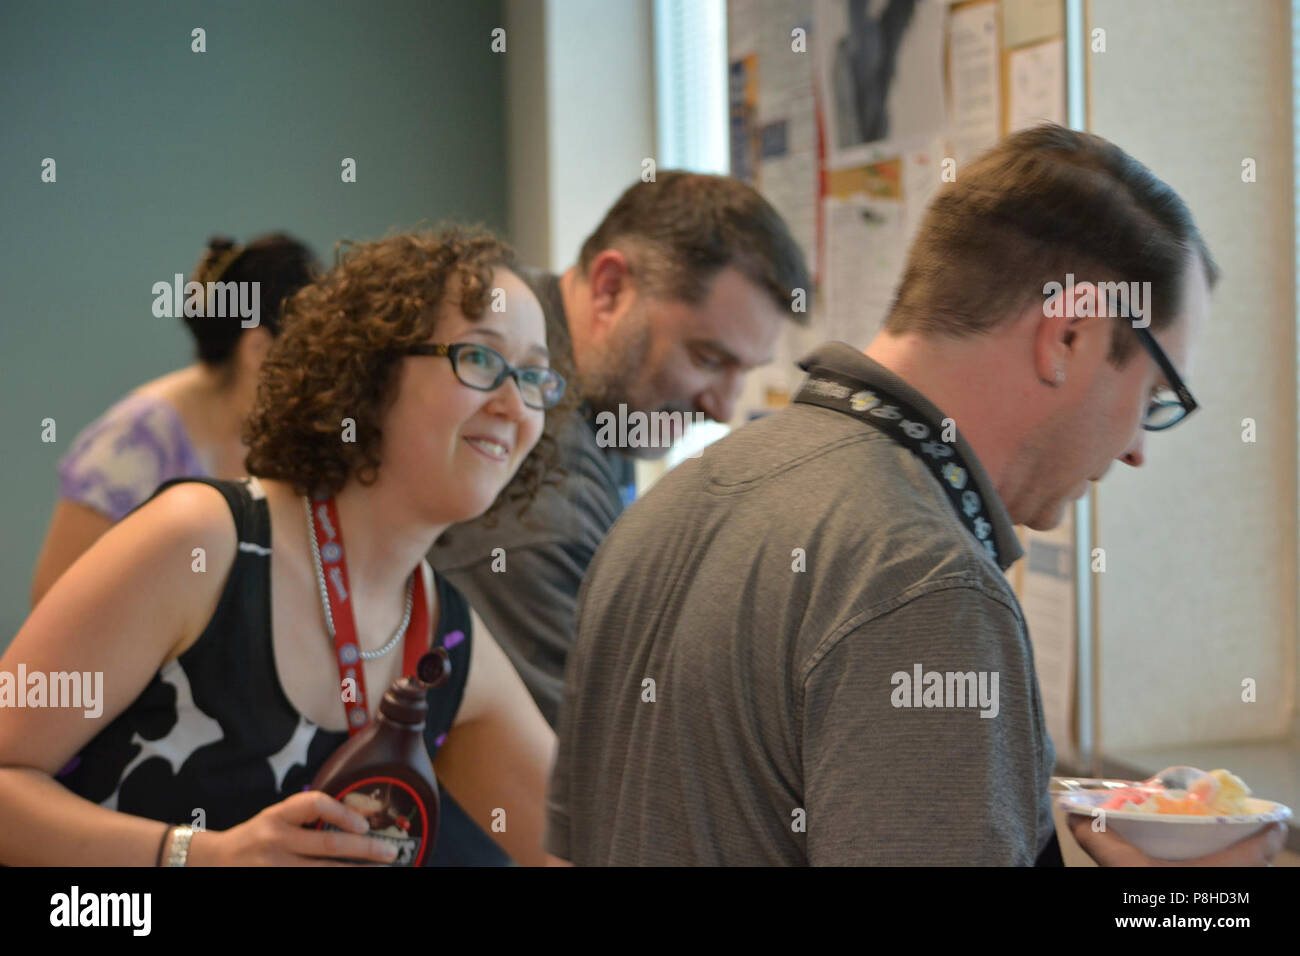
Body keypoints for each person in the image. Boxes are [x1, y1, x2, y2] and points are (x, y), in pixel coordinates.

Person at [544, 125, 1288, 866]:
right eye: (1153, 394)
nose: (1137, 450)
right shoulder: (925, 583)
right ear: (1068, 334)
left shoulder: (669, 507)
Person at [0, 227, 564, 866]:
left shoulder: (445, 637)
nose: (516, 405)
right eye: (481, 359)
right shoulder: (204, 543)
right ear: (372, 369)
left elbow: (585, 845)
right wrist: (205, 858)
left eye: (537, 378)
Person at [427, 171, 812, 864]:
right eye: (707, 357)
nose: (723, 407)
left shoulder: (602, 404)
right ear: (609, 289)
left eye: (742, 371)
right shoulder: (543, 495)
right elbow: (598, 794)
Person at [30, 233, 317, 607]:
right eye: (308, 353)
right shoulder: (132, 443)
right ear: (258, 348)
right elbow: (52, 604)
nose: (316, 376)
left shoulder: (277, 440)